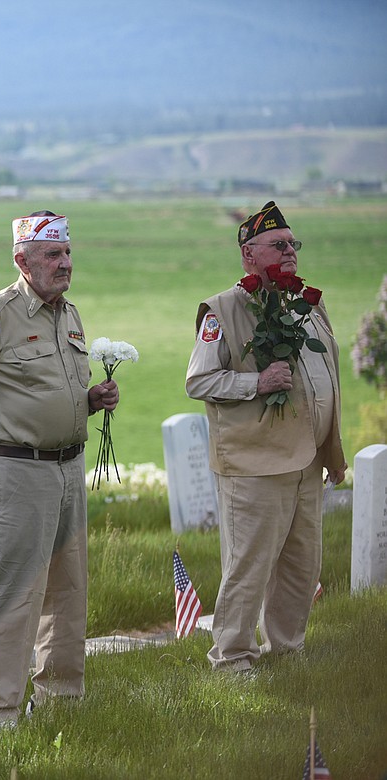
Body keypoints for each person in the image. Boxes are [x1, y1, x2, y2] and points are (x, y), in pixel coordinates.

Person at [0, 211, 119, 728]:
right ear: (22, 261)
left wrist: (90, 400)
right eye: (52, 256)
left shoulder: (71, 315)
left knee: (67, 591)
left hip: (68, 470)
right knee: (12, 596)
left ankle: (61, 702)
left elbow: (49, 395)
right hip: (18, 475)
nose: (65, 265)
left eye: (67, 254)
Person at [186, 201, 346, 672]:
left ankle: (288, 650)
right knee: (248, 569)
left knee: (302, 567)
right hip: (255, 466)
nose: (291, 252)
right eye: (279, 245)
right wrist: (255, 383)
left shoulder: (308, 307)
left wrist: (332, 451)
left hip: (306, 463)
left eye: (293, 244)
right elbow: (198, 381)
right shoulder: (223, 310)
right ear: (248, 256)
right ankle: (232, 658)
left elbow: (328, 382)